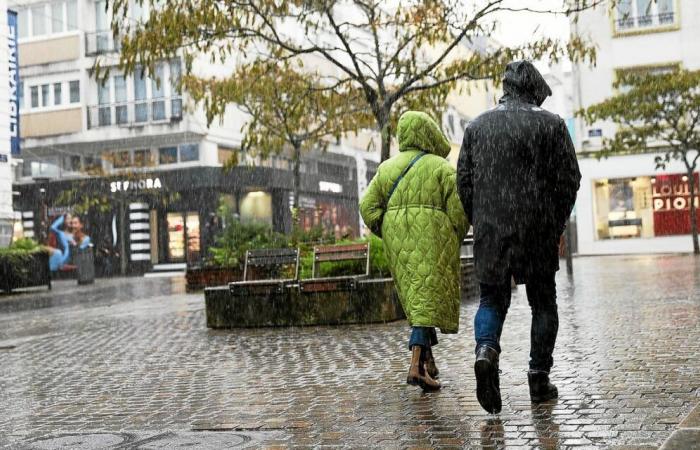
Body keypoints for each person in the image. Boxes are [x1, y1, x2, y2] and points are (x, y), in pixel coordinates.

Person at [457, 60, 581, 413]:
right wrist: (554, 224)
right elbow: (569, 180)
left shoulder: (477, 127)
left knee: (492, 301)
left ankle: (485, 350)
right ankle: (539, 379)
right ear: (533, 90)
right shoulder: (551, 125)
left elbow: (463, 181)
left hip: (492, 231)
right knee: (543, 303)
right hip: (537, 230)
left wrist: (480, 219)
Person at [360, 111, 469, 392]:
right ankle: (415, 366)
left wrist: (389, 230)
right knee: (425, 301)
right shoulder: (442, 169)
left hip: (398, 242)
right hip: (434, 239)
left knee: (421, 299)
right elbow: (460, 210)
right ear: (430, 132)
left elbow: (367, 207)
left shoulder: (387, 168)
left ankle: (428, 364)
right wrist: (451, 234)